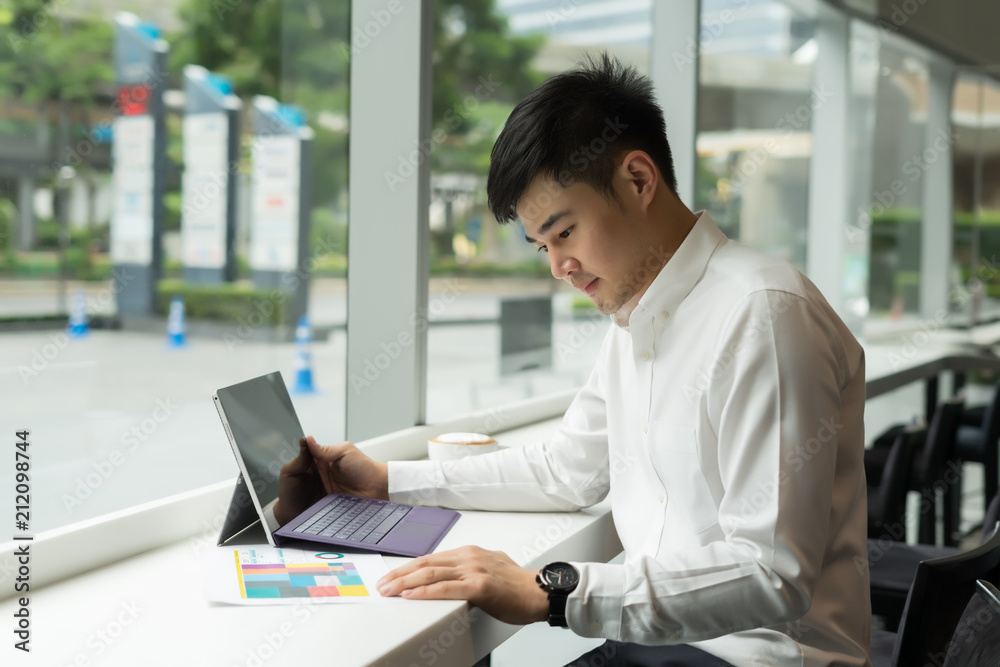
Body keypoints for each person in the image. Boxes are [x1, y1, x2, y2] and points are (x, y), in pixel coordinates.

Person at [282, 54, 871, 666]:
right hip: (664, 649)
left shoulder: (764, 313)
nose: (558, 267)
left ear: (638, 180)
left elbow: (771, 574)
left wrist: (554, 591)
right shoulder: (637, 315)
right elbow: (568, 470)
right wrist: (390, 482)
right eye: (542, 245)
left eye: (564, 233)